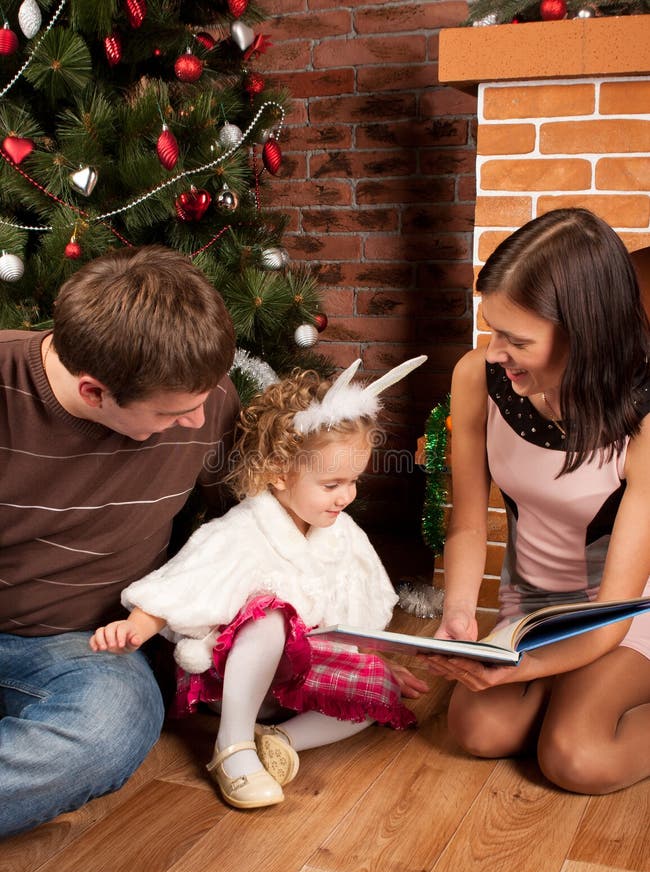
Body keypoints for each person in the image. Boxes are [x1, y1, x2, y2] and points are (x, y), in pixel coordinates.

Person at [91, 358, 430, 810]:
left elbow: (358, 604)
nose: (345, 496)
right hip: (237, 682)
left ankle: (279, 741)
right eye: (332, 483)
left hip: (300, 680)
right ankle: (231, 745)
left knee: (376, 691)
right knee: (270, 616)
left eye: (353, 482)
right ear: (278, 471)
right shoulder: (242, 529)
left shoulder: (344, 534)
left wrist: (366, 662)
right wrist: (136, 627)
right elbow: (184, 584)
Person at [0, 245, 240, 838]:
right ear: (93, 393)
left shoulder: (203, 398)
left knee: (111, 729)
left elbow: (245, 532)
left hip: (80, 646)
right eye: (172, 412)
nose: (196, 419)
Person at [426, 208, 650, 794]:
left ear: (584, 334)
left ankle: (577, 695)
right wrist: (457, 613)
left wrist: (522, 669)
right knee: (476, 730)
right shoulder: (478, 377)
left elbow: (613, 612)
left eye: (516, 339)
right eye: (492, 329)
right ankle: (560, 688)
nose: (495, 350)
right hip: (532, 610)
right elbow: (470, 524)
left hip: (622, 619)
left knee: (576, 758)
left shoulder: (645, 420)